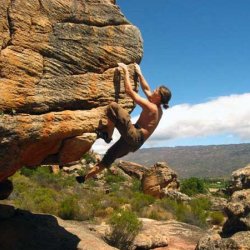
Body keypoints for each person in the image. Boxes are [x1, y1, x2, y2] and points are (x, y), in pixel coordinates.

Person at [76, 63, 171, 183]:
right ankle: (84, 178)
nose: (154, 90)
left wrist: (126, 71)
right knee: (109, 156)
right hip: (135, 143)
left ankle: (108, 136)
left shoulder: (152, 107)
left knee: (113, 107)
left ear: (159, 97)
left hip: (135, 135)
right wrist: (139, 73)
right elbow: (146, 89)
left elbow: (129, 92)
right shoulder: (157, 106)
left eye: (156, 90)